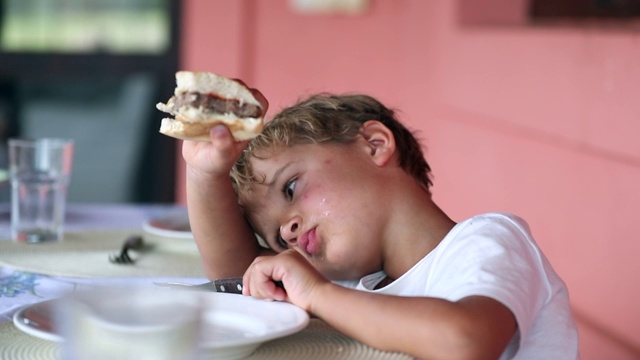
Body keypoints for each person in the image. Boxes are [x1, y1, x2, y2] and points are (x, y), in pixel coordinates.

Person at [183, 90, 579, 359]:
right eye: (275, 237)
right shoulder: (360, 286)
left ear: (374, 144)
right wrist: (204, 175)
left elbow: (466, 341)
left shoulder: (487, 241)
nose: (287, 235)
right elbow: (238, 275)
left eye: (291, 187)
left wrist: (318, 294)